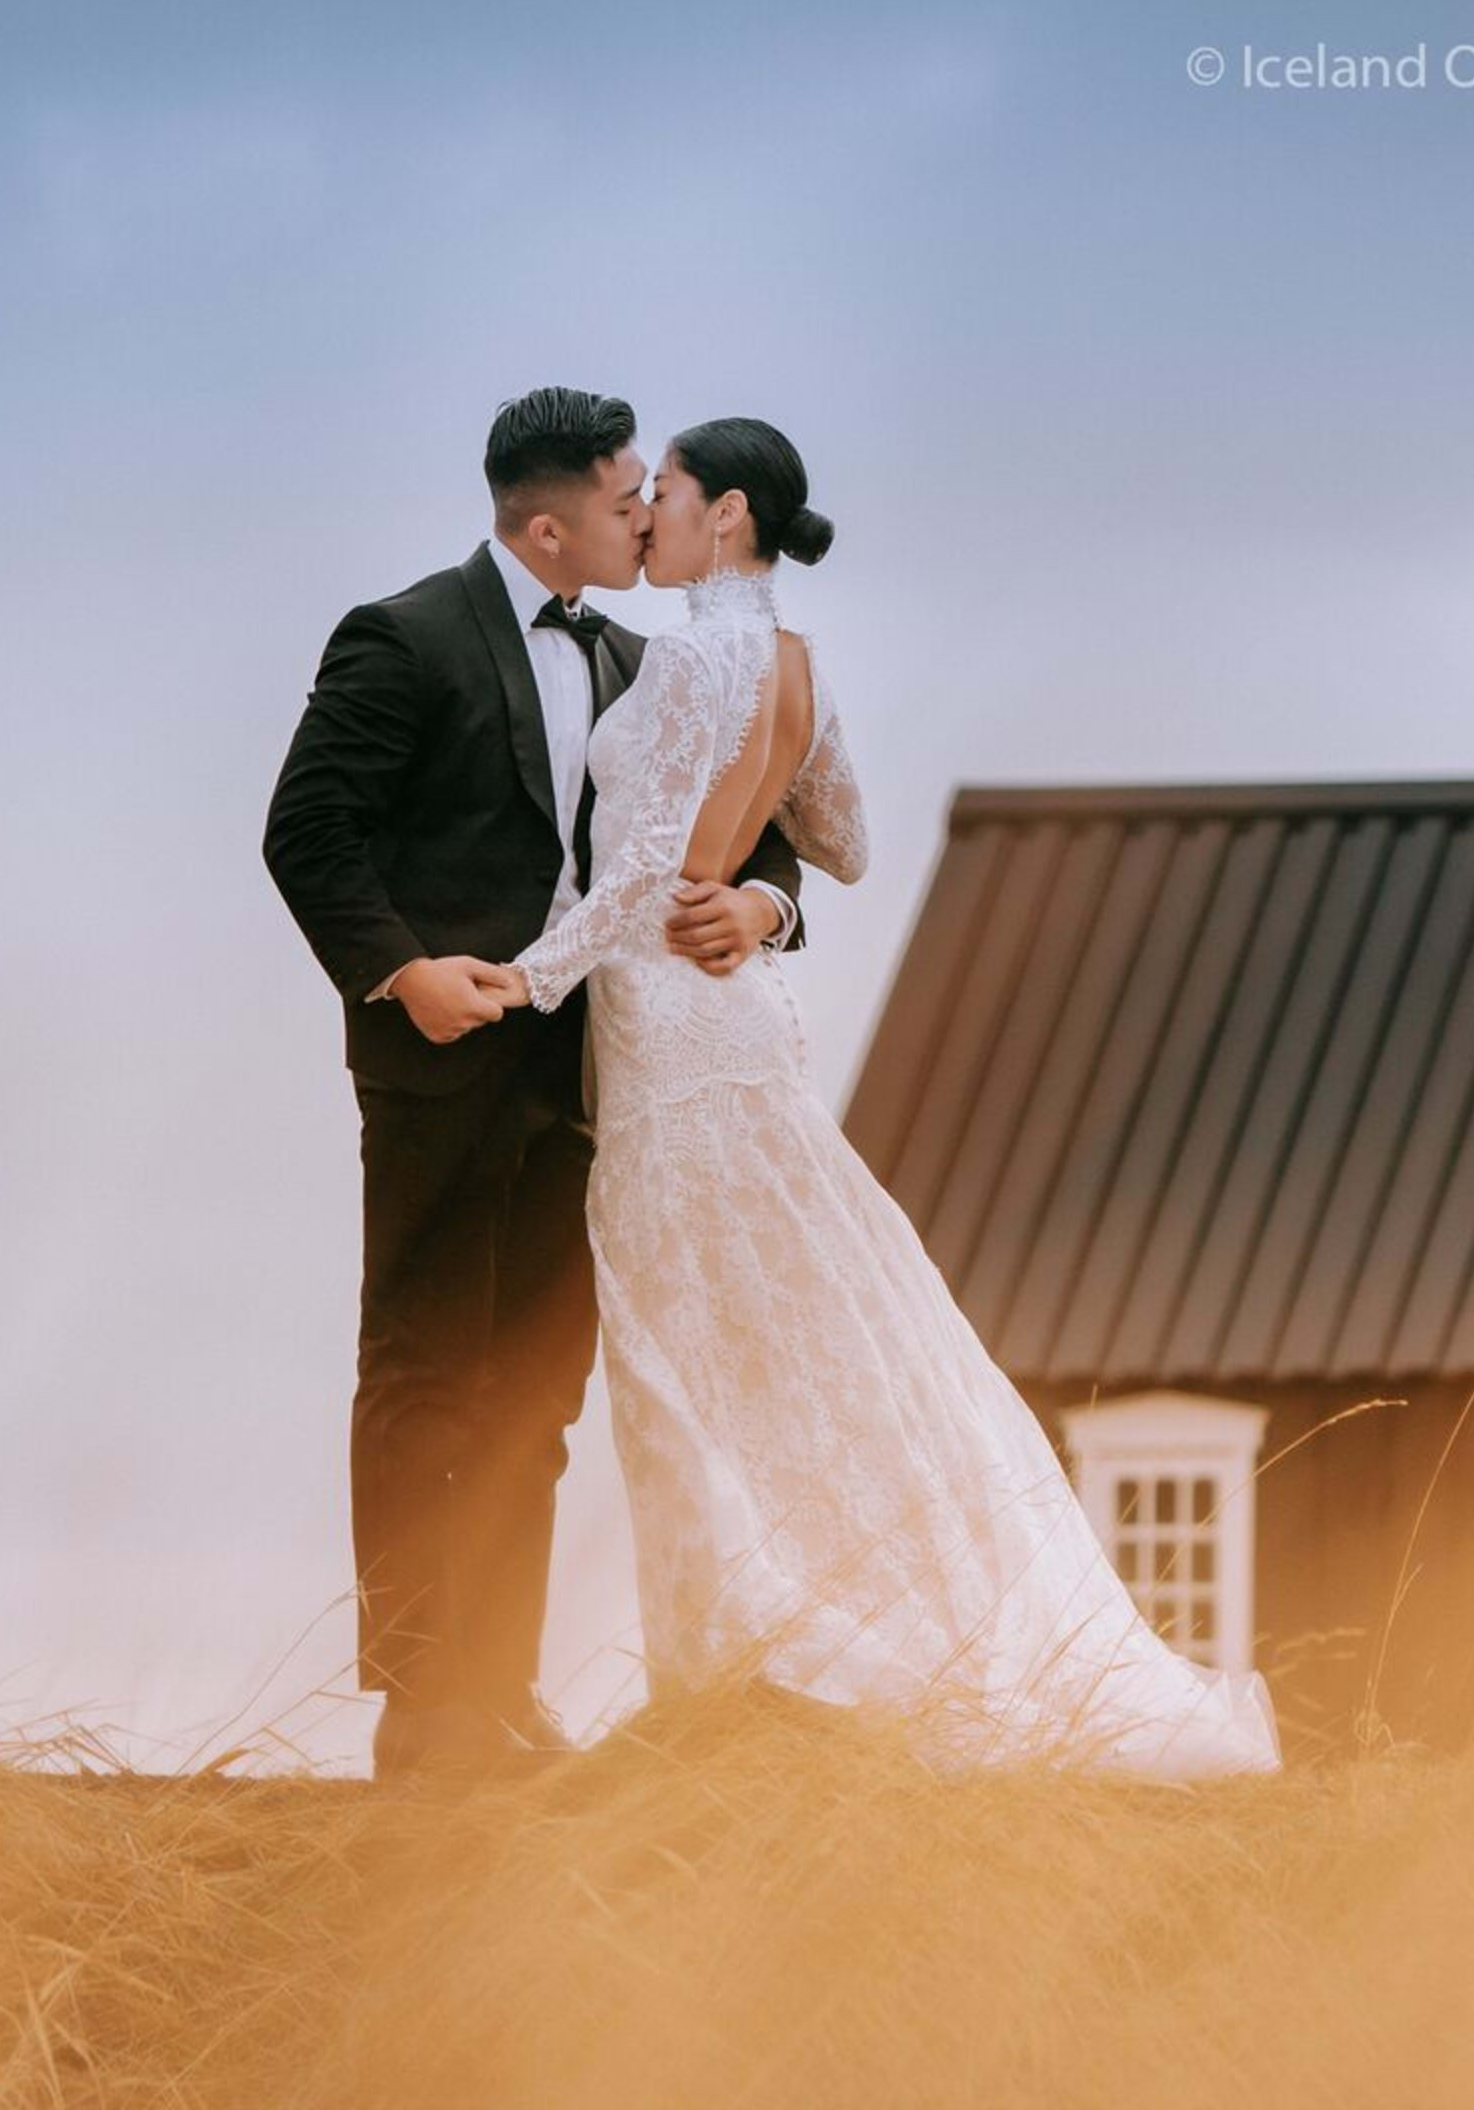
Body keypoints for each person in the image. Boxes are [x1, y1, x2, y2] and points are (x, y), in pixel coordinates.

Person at [488, 415, 1281, 1785]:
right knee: (806, 1327)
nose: (648, 518)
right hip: (744, 1018)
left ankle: (741, 1672)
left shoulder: (684, 660)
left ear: (725, 514)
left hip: (670, 1028)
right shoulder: (797, 664)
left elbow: (629, 881)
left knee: (693, 1341)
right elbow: (841, 843)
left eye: (665, 496)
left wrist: (520, 978)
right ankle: (797, 1644)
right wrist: (758, 900)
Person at [263, 387, 812, 1780]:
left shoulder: (649, 662)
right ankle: (422, 1704)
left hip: (600, 1074)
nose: (650, 519)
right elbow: (307, 830)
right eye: (631, 502)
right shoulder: (405, 636)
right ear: (553, 525)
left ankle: (499, 1691)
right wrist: (399, 973)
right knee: (425, 1373)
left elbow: (766, 826)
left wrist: (764, 910)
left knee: (534, 1398)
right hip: (442, 1063)